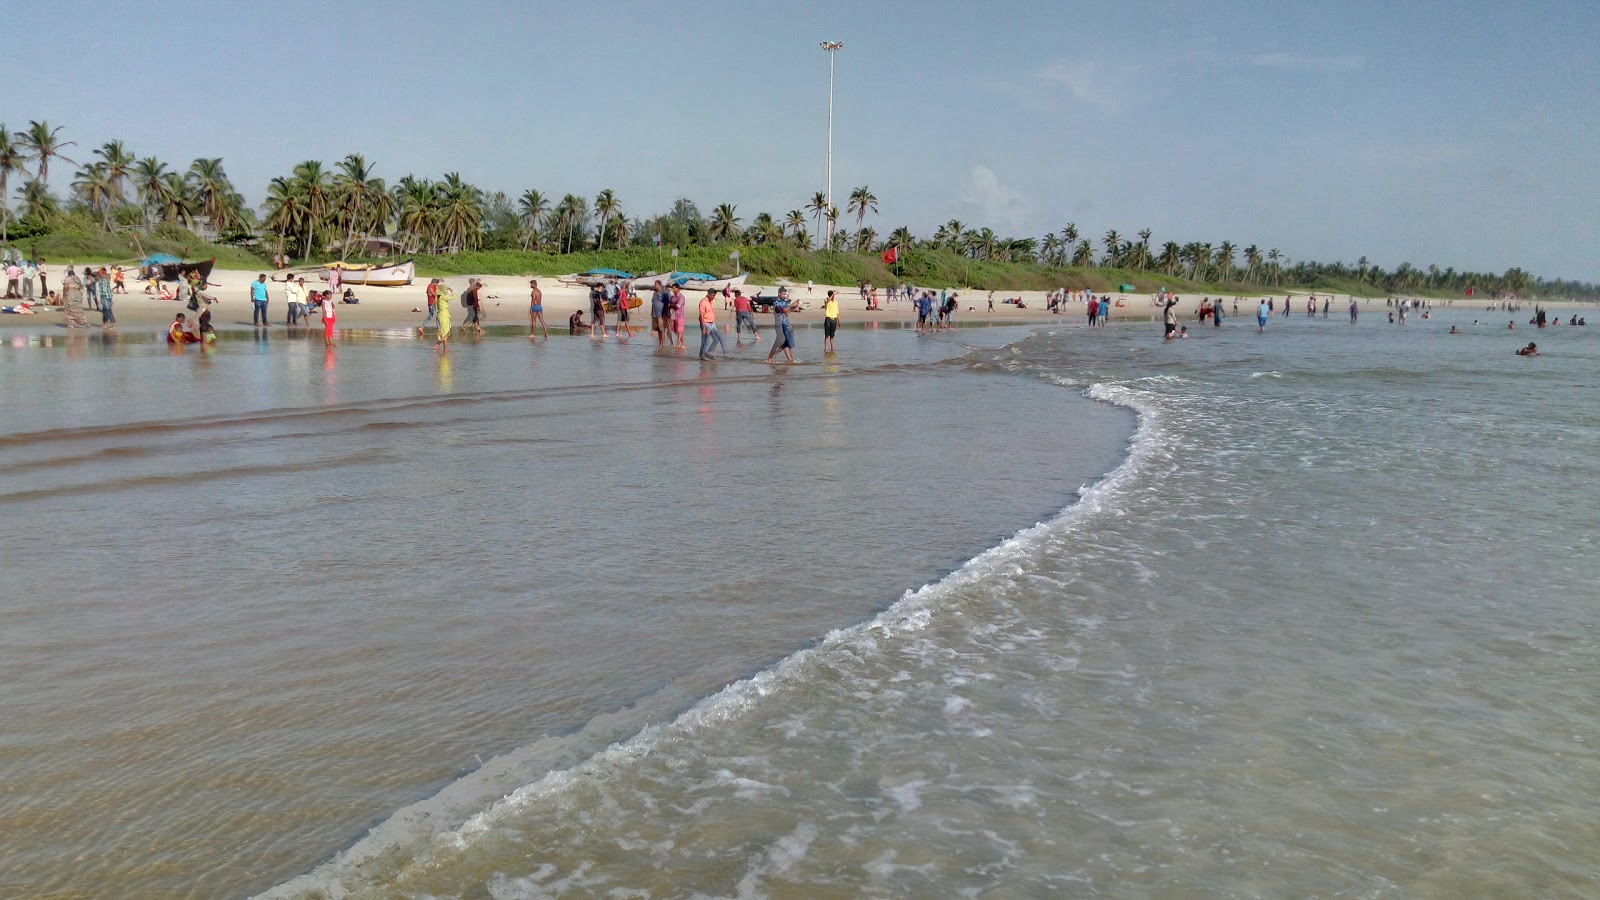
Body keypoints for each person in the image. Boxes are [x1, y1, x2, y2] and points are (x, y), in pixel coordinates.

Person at [765, 286, 798, 363]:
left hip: (785, 324)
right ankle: (770, 358)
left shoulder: (785, 302)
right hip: (779, 325)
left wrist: (794, 307)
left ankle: (789, 359)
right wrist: (791, 306)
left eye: (786, 294)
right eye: (784, 294)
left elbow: (787, 312)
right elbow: (782, 310)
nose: (785, 296)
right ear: (779, 294)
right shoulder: (776, 302)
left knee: (786, 343)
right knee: (780, 342)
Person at [698, 288, 726, 360]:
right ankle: (702, 355)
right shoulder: (703, 302)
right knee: (705, 341)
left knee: (717, 339)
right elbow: (701, 315)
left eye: (714, 295)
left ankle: (708, 352)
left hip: (712, 323)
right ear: (709, 294)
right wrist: (704, 327)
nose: (714, 297)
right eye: (713, 295)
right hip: (706, 324)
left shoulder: (711, 301)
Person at [667, 283, 687, 348]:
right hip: (674, 315)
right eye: (672, 288)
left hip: (680, 315)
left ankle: (677, 344)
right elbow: (669, 305)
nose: (673, 289)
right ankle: (683, 343)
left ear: (678, 289)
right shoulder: (672, 297)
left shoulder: (681, 297)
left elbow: (677, 306)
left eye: (674, 288)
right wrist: (671, 306)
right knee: (676, 331)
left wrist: (672, 306)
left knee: (679, 330)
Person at [434, 284, 453, 352]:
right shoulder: (443, 297)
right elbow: (454, 297)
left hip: (441, 315)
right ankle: (439, 346)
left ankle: (443, 348)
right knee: (445, 332)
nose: (446, 291)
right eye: (445, 290)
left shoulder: (438, 297)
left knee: (444, 332)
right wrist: (452, 291)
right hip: (444, 315)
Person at [321, 277, 337, 346]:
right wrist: (324, 318)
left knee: (330, 330)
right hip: (327, 316)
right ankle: (327, 342)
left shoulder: (330, 301)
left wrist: (333, 306)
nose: (331, 296)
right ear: (327, 295)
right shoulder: (323, 301)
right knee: (327, 330)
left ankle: (331, 342)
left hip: (331, 315)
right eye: (330, 295)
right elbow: (324, 310)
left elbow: (332, 308)